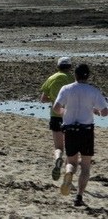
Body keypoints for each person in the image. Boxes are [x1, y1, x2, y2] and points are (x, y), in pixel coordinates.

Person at [53, 64, 108, 206]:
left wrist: (65, 113)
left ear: (75, 75)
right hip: (86, 131)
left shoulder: (66, 89)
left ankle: (69, 174)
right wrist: (94, 110)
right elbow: (105, 112)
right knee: (85, 166)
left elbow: (56, 108)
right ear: (88, 76)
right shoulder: (93, 91)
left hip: (70, 130)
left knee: (71, 162)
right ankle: (79, 196)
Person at [40, 56, 75, 181]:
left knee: (58, 147)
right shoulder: (71, 79)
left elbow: (43, 99)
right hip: (69, 116)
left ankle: (58, 158)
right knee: (71, 148)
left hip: (55, 115)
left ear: (57, 67)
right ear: (70, 67)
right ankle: (68, 174)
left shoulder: (51, 78)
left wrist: (54, 99)